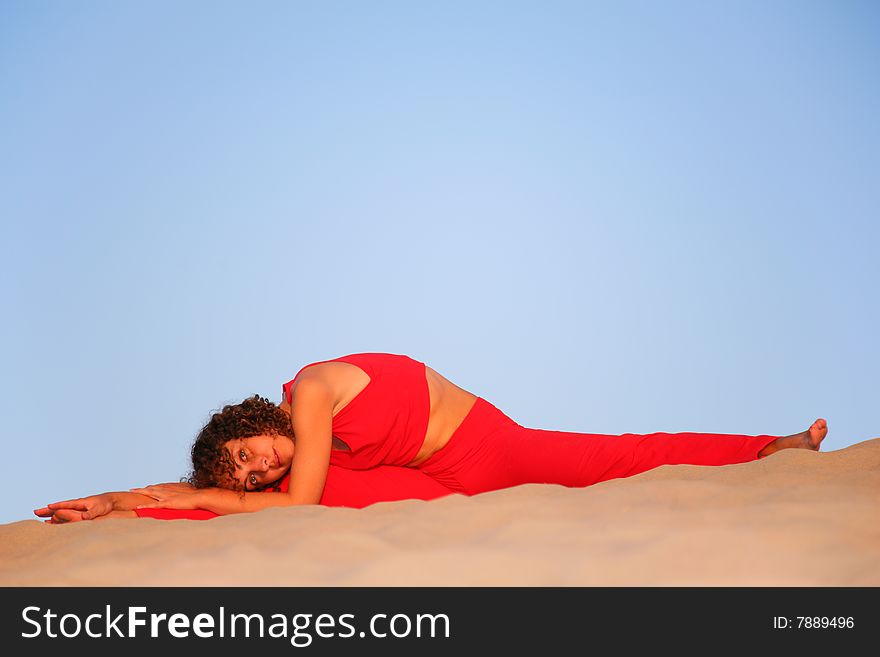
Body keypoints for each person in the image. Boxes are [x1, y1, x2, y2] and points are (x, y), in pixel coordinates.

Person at [36, 352, 828, 522]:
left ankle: (770, 447)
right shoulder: (304, 461)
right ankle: (131, 507)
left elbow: (299, 496)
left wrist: (233, 491)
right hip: (432, 490)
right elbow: (292, 497)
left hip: (482, 449)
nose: (258, 464)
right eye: (246, 471)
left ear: (253, 422)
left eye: (246, 452)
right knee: (226, 513)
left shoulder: (309, 392)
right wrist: (114, 498)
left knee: (612, 455)